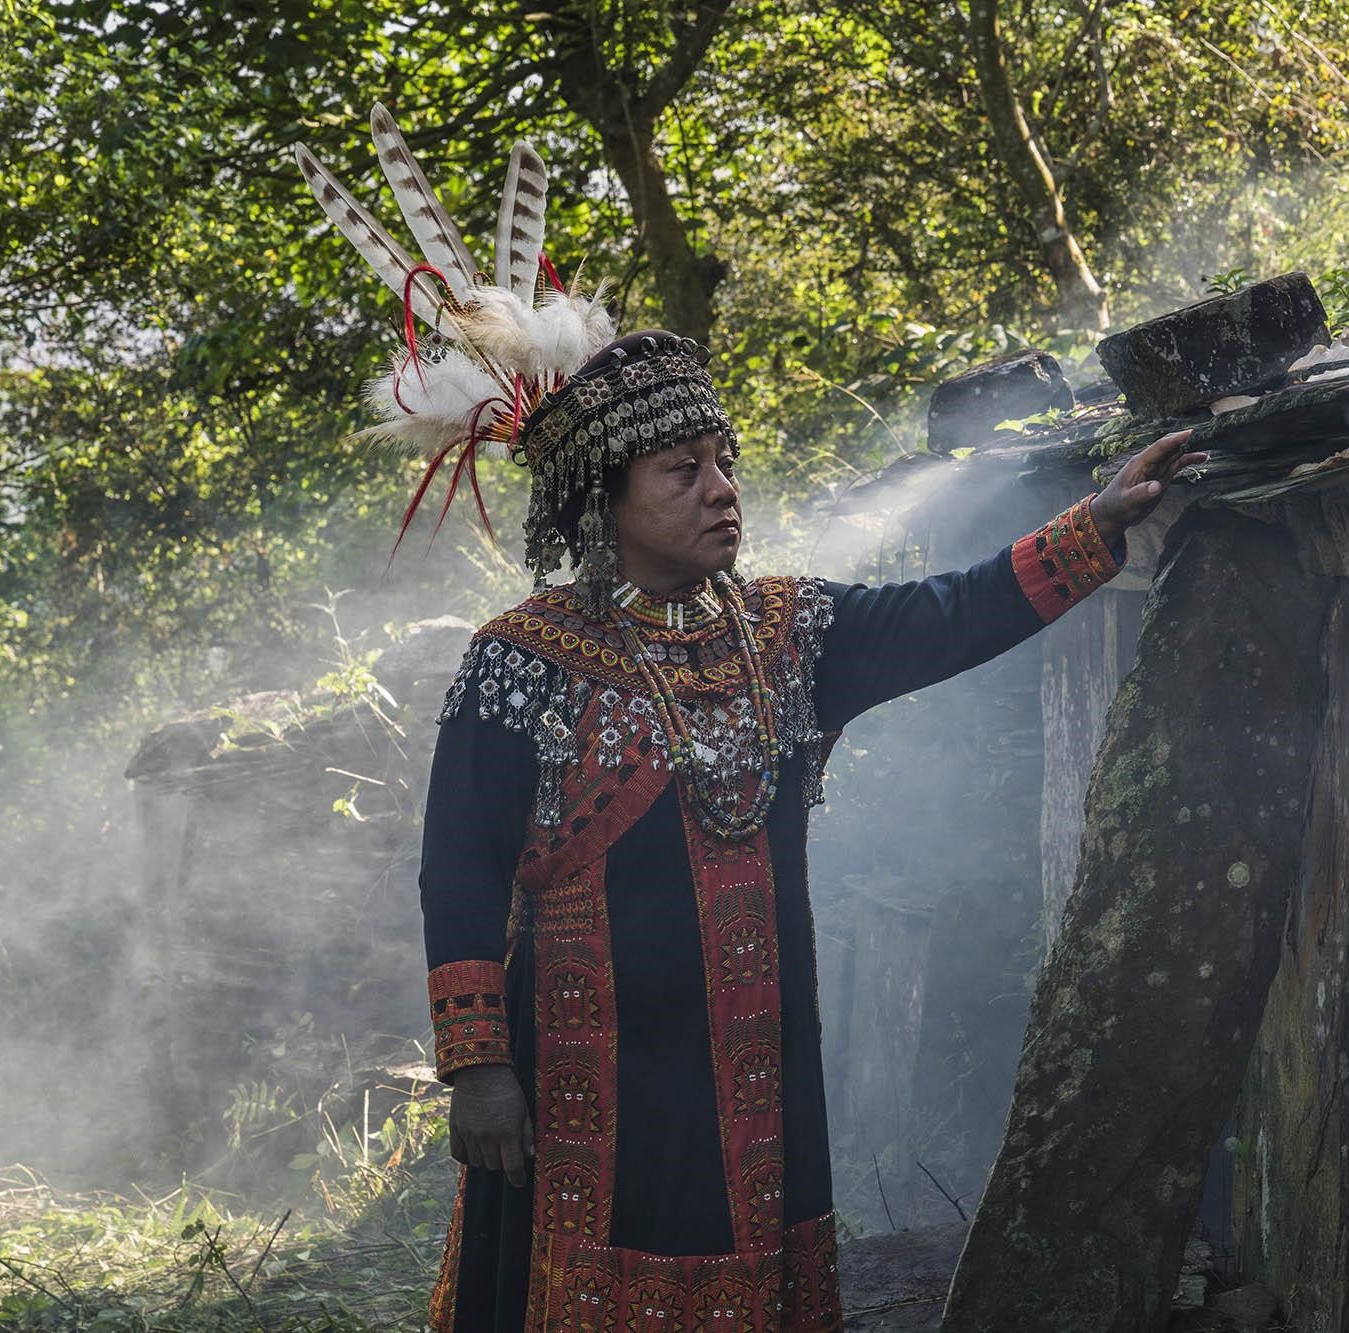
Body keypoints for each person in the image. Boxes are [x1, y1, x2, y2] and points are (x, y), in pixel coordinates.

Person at [291, 110, 1201, 1331]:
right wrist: (478, 1068)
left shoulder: (788, 632)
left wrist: (1097, 527)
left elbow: (950, 612)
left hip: (754, 1069)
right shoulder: (518, 664)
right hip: (579, 1087)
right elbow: (457, 865)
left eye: (725, 463)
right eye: (682, 472)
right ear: (603, 500)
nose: (722, 491)